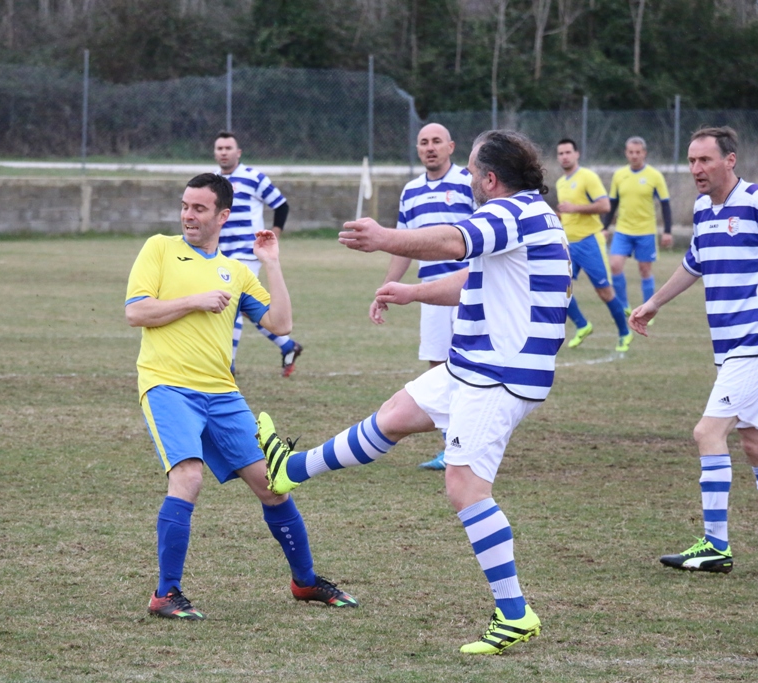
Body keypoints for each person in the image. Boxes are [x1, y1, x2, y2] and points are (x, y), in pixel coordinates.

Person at [258, 130, 571, 654]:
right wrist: (411, 292)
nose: (469, 180)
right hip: (475, 362)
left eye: (472, 172)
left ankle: (514, 613)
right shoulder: (524, 216)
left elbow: (452, 242)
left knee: (464, 488)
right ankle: (290, 469)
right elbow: (473, 278)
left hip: (500, 373)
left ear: (491, 179)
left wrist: (383, 237)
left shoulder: (512, 213)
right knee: (395, 416)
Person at [125, 173, 358, 620]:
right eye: (185, 206)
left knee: (273, 486)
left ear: (222, 215)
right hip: (168, 385)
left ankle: (305, 584)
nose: (187, 215)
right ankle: (165, 594)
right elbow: (136, 311)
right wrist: (194, 300)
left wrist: (271, 261)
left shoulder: (236, 271)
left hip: (223, 394)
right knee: (188, 479)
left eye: (198, 208)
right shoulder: (159, 248)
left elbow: (281, 325)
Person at [629, 127, 758, 573]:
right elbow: (693, 265)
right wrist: (652, 303)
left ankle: (715, 545)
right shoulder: (703, 210)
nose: (696, 169)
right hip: (730, 345)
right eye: (691, 161)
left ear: (730, 160)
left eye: (705, 160)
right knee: (757, 443)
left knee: (707, 433)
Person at [371, 122, 475, 471]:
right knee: (437, 368)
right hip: (428, 293)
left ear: (451, 146)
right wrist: (386, 288)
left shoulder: (467, 182)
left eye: (436, 142)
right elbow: (402, 245)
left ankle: (471, 443)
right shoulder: (411, 191)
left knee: (468, 366)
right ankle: (453, 447)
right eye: (423, 142)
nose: (430, 147)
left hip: (467, 289)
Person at [214, 131, 303, 377]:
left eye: (228, 148)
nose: (223, 152)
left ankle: (227, 367)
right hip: (221, 255)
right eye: (219, 148)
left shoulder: (253, 177)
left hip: (247, 254)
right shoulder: (212, 181)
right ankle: (287, 345)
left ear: (238, 152)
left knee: (231, 305)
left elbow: (281, 204)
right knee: (244, 306)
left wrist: (273, 235)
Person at [555, 138, 633, 352]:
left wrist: (574, 208)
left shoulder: (587, 177)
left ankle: (625, 333)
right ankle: (582, 325)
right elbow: (569, 213)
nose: (564, 156)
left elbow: (605, 205)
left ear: (577, 154)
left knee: (604, 292)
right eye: (560, 153)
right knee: (560, 288)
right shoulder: (561, 182)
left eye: (568, 152)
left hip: (590, 241)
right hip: (569, 244)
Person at [603, 136, 673, 315]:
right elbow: (613, 203)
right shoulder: (619, 175)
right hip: (623, 230)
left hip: (646, 231)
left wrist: (667, 231)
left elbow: (665, 204)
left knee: (644, 270)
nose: (634, 156)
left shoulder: (654, 176)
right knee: (615, 265)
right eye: (631, 152)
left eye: (638, 152)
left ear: (644, 154)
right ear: (626, 153)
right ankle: (624, 306)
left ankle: (648, 308)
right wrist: (605, 227)